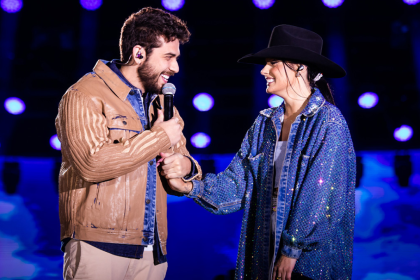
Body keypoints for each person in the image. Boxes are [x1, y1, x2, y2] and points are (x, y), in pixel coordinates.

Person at [162, 25, 355, 280]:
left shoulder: (329, 121)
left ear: (300, 66)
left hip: (308, 265)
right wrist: (190, 187)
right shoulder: (265, 123)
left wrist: (292, 250)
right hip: (264, 258)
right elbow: (237, 185)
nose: (264, 70)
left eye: (272, 62)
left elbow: (321, 195)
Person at [55, 7, 201, 280]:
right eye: (168, 57)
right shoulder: (83, 94)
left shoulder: (163, 105)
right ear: (138, 54)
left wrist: (186, 166)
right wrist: (159, 137)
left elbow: (184, 166)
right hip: (98, 245)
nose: (176, 68)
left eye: (177, 58)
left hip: (151, 250)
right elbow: (91, 164)